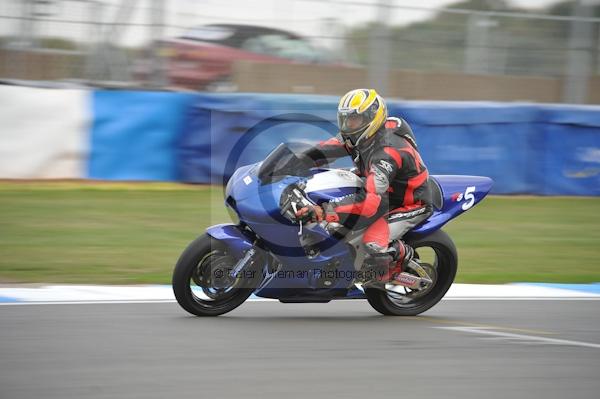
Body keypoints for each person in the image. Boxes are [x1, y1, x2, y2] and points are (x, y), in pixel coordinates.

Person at [295, 88, 433, 281]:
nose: (348, 125)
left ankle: (400, 256)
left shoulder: (386, 154)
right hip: (379, 189)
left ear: (372, 119)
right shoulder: (361, 135)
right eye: (345, 119)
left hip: (407, 202)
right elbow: (326, 149)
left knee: (372, 244)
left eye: (354, 120)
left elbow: (369, 204)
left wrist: (324, 211)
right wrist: (296, 161)